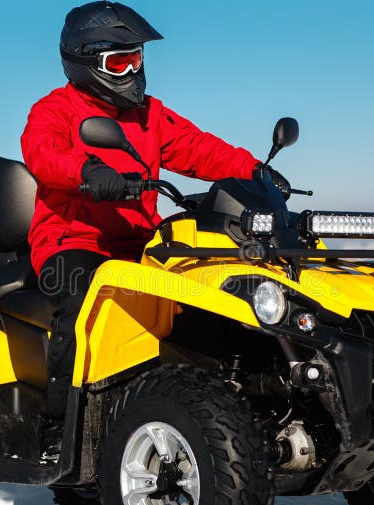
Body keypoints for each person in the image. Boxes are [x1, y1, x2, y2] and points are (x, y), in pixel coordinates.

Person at [21, 0, 287, 453]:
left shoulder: (150, 114)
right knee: (82, 306)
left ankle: (221, 409)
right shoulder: (55, 110)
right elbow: (42, 153)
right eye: (119, 61)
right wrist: (88, 173)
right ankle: (57, 430)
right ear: (87, 62)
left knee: (214, 296)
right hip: (72, 242)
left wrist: (253, 170)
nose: (131, 71)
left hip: (142, 243)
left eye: (137, 58)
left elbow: (199, 148)